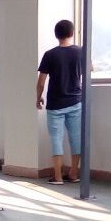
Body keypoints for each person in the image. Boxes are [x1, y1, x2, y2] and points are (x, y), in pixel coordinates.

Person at [37, 19, 84, 184]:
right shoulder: (81, 52)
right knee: (76, 138)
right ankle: (74, 174)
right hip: (75, 102)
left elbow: (41, 82)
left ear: (56, 35)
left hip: (55, 104)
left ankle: (57, 176)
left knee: (56, 139)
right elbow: (90, 68)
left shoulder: (50, 54)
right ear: (72, 33)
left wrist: (38, 98)